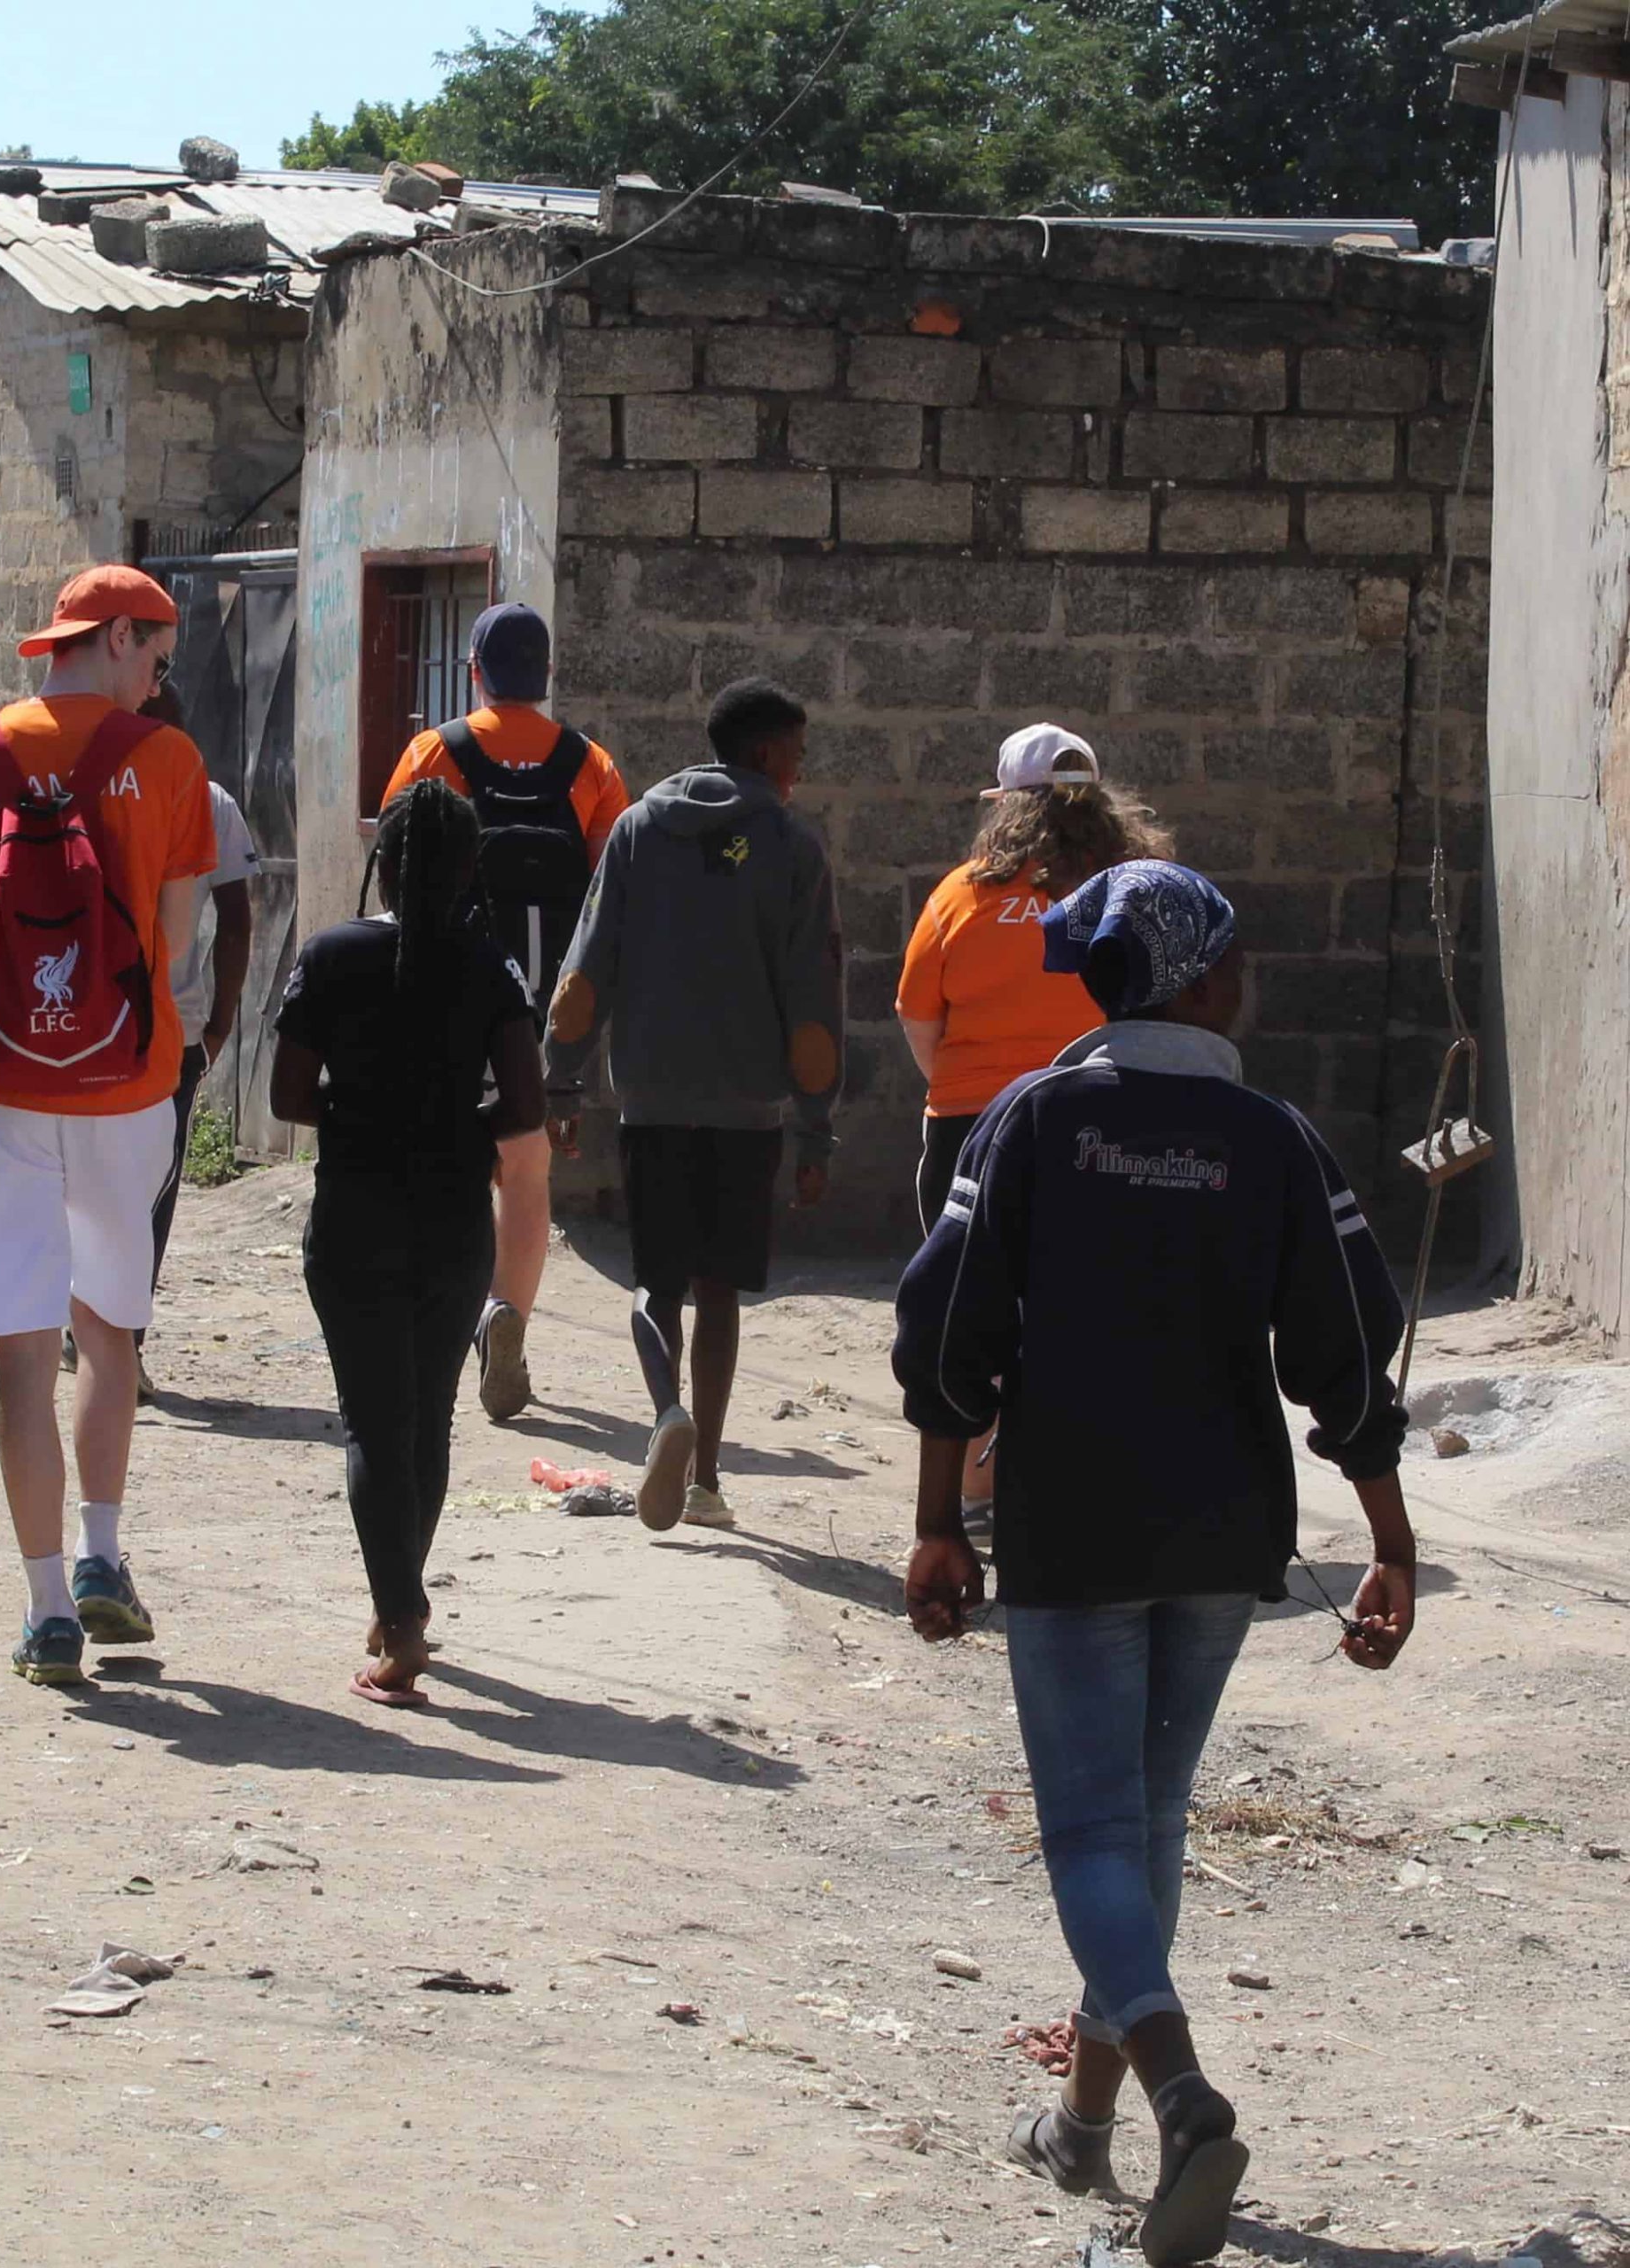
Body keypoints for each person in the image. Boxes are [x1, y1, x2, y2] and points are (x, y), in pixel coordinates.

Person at [893, 861, 1417, 2268]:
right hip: (1218, 1531)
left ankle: (1178, 2097)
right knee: (1147, 1821)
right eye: (1232, 958)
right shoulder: (1271, 1138)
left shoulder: (1027, 1121)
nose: (1246, 979)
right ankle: (1080, 2124)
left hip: (1069, 1525)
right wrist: (1386, 1537)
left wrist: (937, 1518)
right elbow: (1344, 1349)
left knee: (1089, 1834)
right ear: (1194, 978)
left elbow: (947, 1333)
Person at [0, 563, 215, 1687]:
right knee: (108, 1332)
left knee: (21, 1357)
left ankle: (45, 1613)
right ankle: (101, 1555)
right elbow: (175, 937)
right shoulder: (168, 761)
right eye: (156, 657)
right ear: (117, 636)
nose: (157, 682)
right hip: (126, 1089)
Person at [546, 678, 843, 1535]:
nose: (798, 771)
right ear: (765, 753)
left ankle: (664, 1414)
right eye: (796, 755)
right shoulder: (791, 845)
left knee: (655, 1282)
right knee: (719, 1292)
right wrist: (816, 1127)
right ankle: (706, 1477)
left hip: (651, 1097)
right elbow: (813, 998)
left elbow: (587, 967)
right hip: (747, 1109)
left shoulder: (639, 829)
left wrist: (561, 1081)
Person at [270, 781, 545, 1706]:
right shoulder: (489, 965)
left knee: (372, 1423)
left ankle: (402, 1623)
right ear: (468, 871)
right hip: (455, 1221)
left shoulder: (330, 955)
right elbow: (524, 1105)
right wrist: (457, 1128)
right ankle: (400, 1601)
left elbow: (287, 1096)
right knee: (427, 1419)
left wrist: (361, 1116)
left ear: (381, 865)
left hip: (355, 1216)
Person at [384, 602, 630, 1423]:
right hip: (544, 1008)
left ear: (475, 673)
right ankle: (504, 1314)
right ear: (546, 673)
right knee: (525, 1170)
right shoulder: (590, 765)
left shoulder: (434, 752)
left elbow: (393, 871)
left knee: (442, 1163)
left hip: (450, 996)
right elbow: (608, 898)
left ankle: (443, 1319)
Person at [897, 724, 1172, 1239]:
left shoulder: (957, 895)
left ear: (1007, 806)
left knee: (963, 1281)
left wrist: (966, 1081)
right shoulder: (1141, 890)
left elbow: (915, 1014)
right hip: (1106, 1115)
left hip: (973, 1120)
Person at [136, 772, 258, 1402]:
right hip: (172, 1032)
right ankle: (119, 1342)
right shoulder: (206, 800)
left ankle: (77, 1329)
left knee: (73, 1179)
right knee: (151, 1190)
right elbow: (236, 921)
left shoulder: (77, 775)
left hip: (76, 1027)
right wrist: (219, 1025)